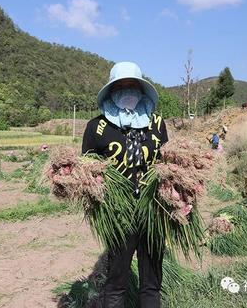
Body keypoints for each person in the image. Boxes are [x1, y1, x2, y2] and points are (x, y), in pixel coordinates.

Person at [82, 62, 168, 308]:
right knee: (116, 282)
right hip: (119, 215)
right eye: (121, 86)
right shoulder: (97, 127)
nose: (128, 90)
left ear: (141, 90)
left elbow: (168, 163)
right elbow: (87, 173)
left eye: (133, 86)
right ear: (111, 91)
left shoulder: (157, 124)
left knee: (151, 282)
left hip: (153, 213)